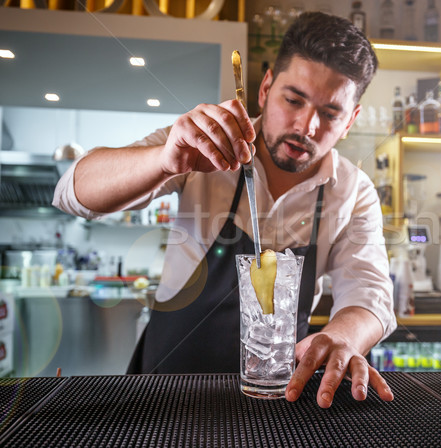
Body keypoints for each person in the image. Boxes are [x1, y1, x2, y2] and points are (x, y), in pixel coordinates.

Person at [53, 11, 396, 408]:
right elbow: (72, 191)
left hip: (278, 397)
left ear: (351, 119)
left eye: (330, 113)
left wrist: (344, 337)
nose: (306, 126)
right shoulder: (203, 143)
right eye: (294, 100)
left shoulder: (353, 191)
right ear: (266, 87)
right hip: (169, 392)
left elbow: (369, 295)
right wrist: (164, 160)